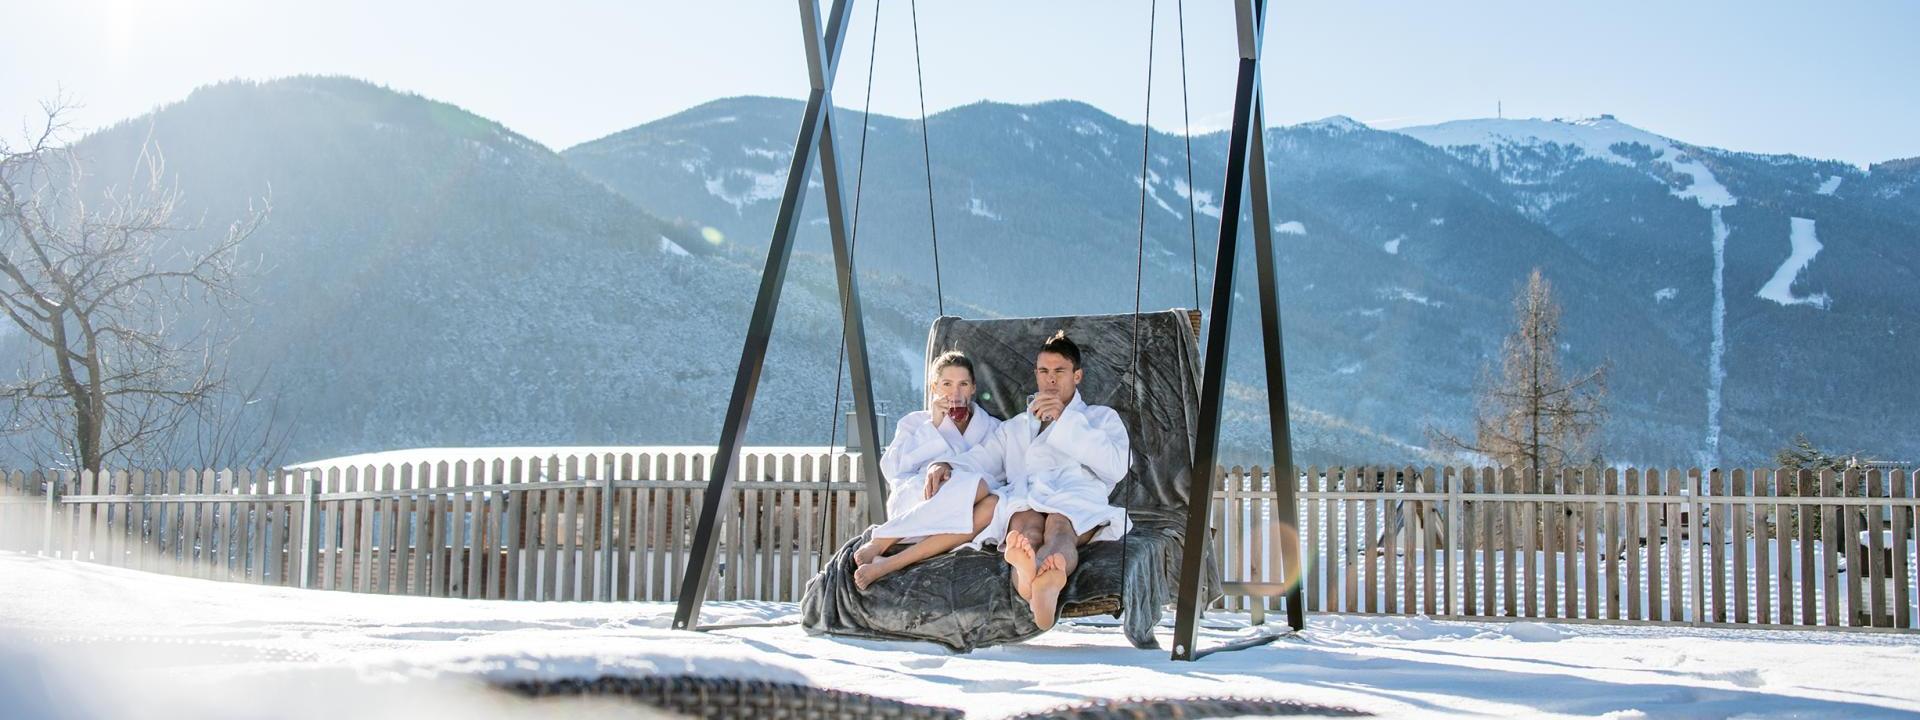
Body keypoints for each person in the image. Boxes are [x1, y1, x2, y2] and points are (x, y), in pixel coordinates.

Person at [926, 331, 1131, 629]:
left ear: (1077, 376)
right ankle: (1033, 581)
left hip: (1075, 496)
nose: (1050, 379)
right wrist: (945, 464)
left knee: (1059, 528)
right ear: (1036, 374)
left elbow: (1117, 466)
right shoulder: (1016, 426)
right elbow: (983, 457)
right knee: (1023, 532)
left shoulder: (1100, 418)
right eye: (1043, 371)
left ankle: (1040, 582)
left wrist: (1066, 420)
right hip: (1027, 496)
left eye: (1059, 371)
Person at [850, 350, 1004, 590]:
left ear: (973, 387)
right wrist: (933, 426)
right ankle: (888, 540)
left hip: (969, 512)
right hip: (920, 500)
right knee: (975, 488)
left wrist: (955, 474)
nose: (955, 393)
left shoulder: (992, 428)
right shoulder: (915, 423)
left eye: (963, 384)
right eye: (947, 384)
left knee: (989, 498)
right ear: (934, 387)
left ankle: (887, 555)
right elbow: (892, 468)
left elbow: (999, 470)